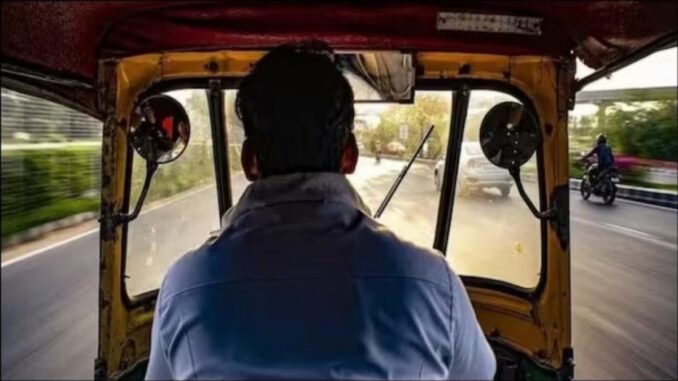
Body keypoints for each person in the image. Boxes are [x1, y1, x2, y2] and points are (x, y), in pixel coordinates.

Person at [146, 40, 496, 380]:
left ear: (249, 161)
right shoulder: (432, 283)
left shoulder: (185, 287)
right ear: (351, 155)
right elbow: (479, 374)